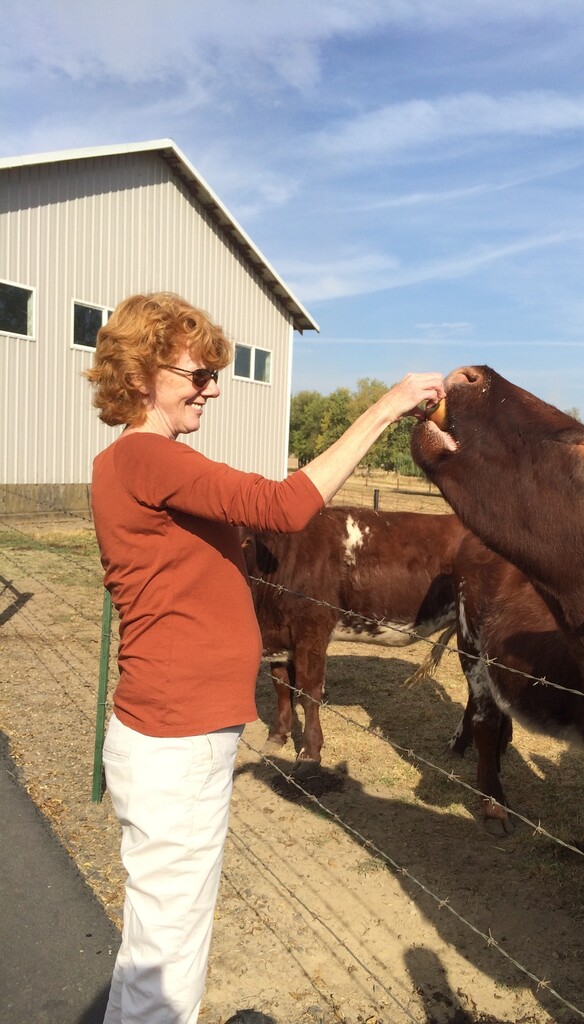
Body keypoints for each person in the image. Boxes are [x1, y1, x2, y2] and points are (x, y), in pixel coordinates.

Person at [85, 291, 445, 1024]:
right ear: (143, 375)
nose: (211, 389)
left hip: (169, 729)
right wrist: (387, 408)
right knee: (170, 959)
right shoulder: (148, 457)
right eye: (196, 375)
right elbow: (284, 506)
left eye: (213, 375)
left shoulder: (132, 463)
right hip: (178, 738)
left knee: (155, 937)